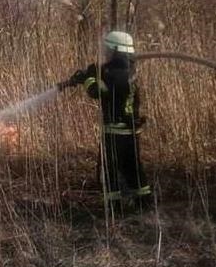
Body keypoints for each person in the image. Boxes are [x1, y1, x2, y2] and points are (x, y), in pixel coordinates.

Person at [59, 31, 152, 214]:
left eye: (108, 49)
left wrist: (89, 78)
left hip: (114, 134)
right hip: (131, 132)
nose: (105, 53)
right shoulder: (130, 72)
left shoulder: (111, 73)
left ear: (115, 50)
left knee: (109, 172)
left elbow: (97, 92)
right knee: (133, 169)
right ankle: (145, 205)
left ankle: (114, 209)